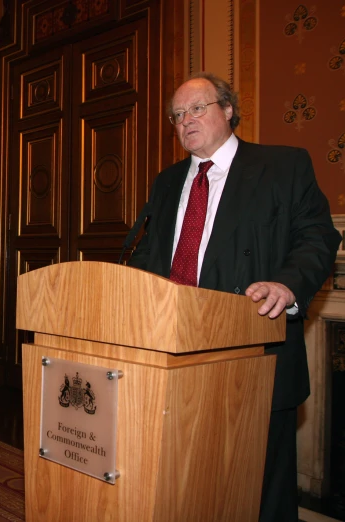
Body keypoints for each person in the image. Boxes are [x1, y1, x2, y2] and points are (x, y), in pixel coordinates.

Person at [129, 72, 342, 522]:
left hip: (254, 354)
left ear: (228, 110)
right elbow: (150, 257)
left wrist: (287, 285)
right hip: (176, 355)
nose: (185, 121)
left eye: (197, 108)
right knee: (190, 484)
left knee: (261, 494)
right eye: (177, 115)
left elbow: (317, 237)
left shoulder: (283, 167)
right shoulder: (166, 183)